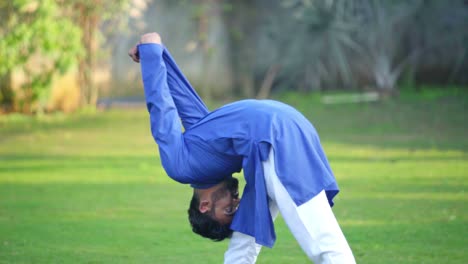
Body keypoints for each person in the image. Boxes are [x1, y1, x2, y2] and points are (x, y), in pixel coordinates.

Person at [129, 32, 356, 264]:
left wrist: (152, 47)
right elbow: (186, 101)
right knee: (245, 236)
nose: (235, 204)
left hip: (275, 138)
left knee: (322, 243)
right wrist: (155, 56)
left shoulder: (181, 167)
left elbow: (162, 110)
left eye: (228, 210)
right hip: (279, 131)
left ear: (205, 205)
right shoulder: (206, 144)